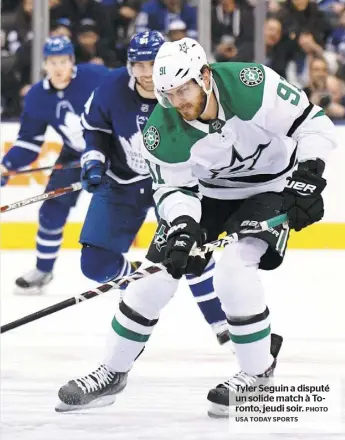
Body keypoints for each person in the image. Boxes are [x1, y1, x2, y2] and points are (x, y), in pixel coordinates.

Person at [55, 38, 336, 416]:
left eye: (184, 89)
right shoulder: (161, 126)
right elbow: (172, 186)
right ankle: (113, 371)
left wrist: (309, 174)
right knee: (151, 280)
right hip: (208, 193)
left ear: (204, 76)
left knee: (234, 270)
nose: (177, 103)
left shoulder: (251, 84)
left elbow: (312, 123)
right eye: (167, 94)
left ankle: (257, 372)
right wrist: (183, 224)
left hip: (270, 188)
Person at [78, 30, 229, 344]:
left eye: (152, 64)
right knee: (95, 262)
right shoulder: (109, 87)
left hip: (176, 184)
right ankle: (138, 284)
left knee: (191, 251)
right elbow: (95, 132)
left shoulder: (186, 91)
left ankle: (223, 323)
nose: (145, 73)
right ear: (128, 65)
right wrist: (94, 161)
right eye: (138, 65)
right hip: (122, 183)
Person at [0, 36, 109, 294]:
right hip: (73, 157)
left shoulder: (97, 76)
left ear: (73, 61)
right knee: (50, 212)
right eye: (53, 62)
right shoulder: (38, 96)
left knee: (115, 212)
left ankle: (122, 270)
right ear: (45, 64)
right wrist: (8, 164)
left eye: (64, 61)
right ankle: (43, 270)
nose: (59, 67)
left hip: (110, 153)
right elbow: (29, 143)